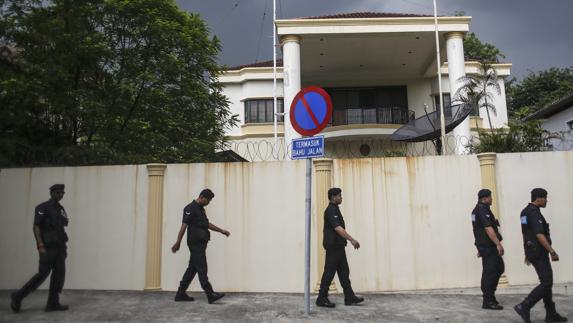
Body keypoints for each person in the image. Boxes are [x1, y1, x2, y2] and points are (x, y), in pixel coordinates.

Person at [11, 184, 70, 313]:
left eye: (62, 193)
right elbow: (36, 227)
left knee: (59, 276)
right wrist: (40, 245)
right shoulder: (42, 207)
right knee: (41, 275)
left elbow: (65, 222)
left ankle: (53, 304)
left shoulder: (61, 209)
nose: (60, 195)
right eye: (58, 192)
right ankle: (18, 296)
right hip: (48, 248)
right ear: (52, 193)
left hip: (60, 247)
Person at [514, 188, 567, 323]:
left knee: (546, 282)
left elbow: (526, 234)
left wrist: (526, 252)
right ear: (538, 198)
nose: (546, 200)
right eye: (545, 198)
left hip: (533, 251)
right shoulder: (533, 213)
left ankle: (551, 314)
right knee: (547, 282)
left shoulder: (525, 211)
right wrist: (552, 251)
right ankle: (524, 306)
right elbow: (538, 234)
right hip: (539, 252)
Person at [171, 189, 230, 304]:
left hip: (201, 243)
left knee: (192, 269)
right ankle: (210, 293)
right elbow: (184, 226)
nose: (209, 202)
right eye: (208, 200)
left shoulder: (201, 210)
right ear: (202, 197)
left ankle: (180, 293)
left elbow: (206, 224)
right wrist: (178, 242)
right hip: (195, 244)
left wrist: (221, 231)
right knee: (202, 267)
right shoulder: (190, 208)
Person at [316, 187, 364, 308]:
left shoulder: (335, 209)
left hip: (339, 246)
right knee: (329, 273)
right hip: (333, 247)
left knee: (344, 272)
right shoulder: (331, 211)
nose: (341, 197)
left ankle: (349, 297)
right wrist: (352, 240)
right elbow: (338, 228)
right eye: (339, 196)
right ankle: (321, 298)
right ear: (333, 197)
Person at [471, 189, 505, 310]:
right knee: (491, 272)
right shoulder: (482, 210)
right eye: (490, 197)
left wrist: (480, 246)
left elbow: (477, 230)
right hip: (489, 247)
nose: (492, 199)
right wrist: (498, 244)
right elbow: (487, 228)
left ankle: (490, 297)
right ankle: (488, 300)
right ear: (484, 198)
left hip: (485, 246)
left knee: (498, 269)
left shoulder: (477, 210)